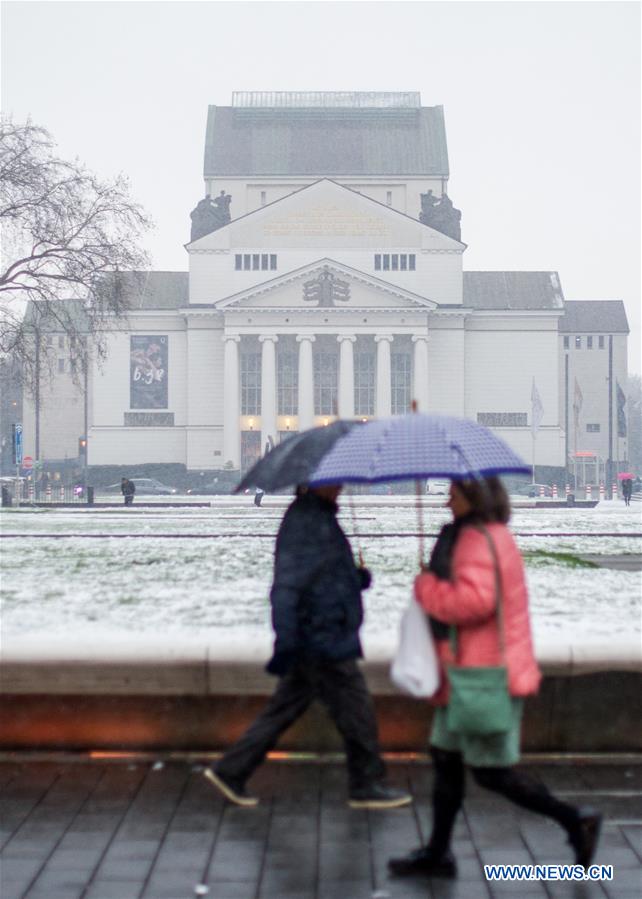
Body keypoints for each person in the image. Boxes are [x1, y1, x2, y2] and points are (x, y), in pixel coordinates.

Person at [389, 477, 601, 879]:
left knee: (491, 771)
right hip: (468, 673)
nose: (447, 497)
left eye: (455, 491)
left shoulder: (475, 540)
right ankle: (438, 852)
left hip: (481, 675)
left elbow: (475, 601)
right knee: (446, 757)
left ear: (474, 497)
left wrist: (428, 587)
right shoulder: (493, 535)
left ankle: (575, 819)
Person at [204, 483, 412, 810]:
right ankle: (366, 783)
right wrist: (286, 640)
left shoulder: (315, 518)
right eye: (335, 481)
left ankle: (231, 770)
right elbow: (288, 586)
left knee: (283, 711)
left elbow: (320, 575)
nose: (342, 486)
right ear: (317, 484)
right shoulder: (308, 522)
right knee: (357, 712)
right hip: (322, 639)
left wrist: (354, 579)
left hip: (319, 635)